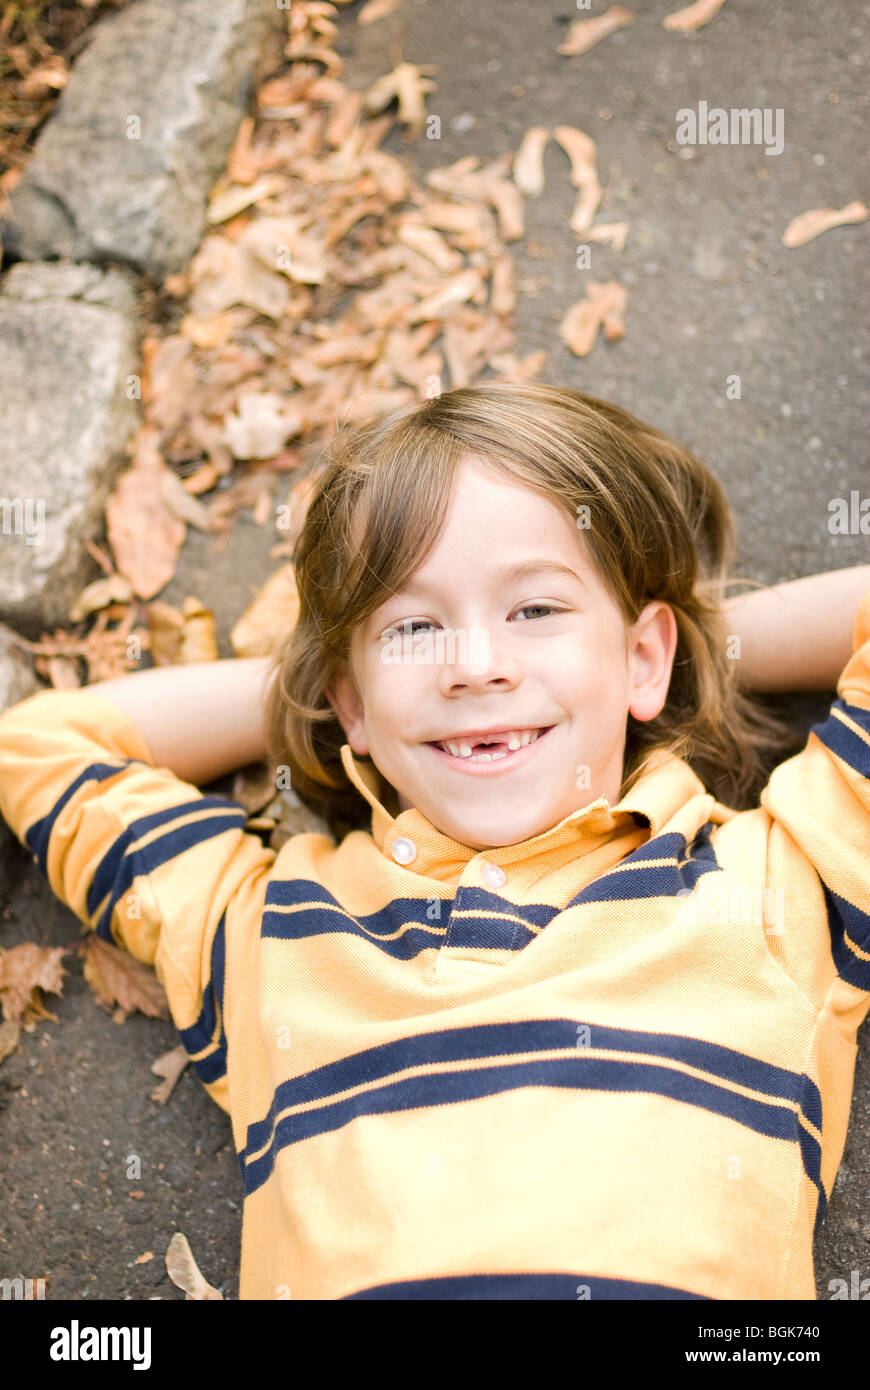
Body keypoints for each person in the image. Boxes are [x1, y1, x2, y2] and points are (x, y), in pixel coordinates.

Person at [0, 382, 867, 1301]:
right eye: (415, 628)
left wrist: (688, 646)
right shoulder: (266, 933)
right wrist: (326, 681)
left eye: (535, 610)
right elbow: (40, 747)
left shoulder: (774, 883)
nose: (474, 666)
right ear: (350, 704)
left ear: (644, 658)